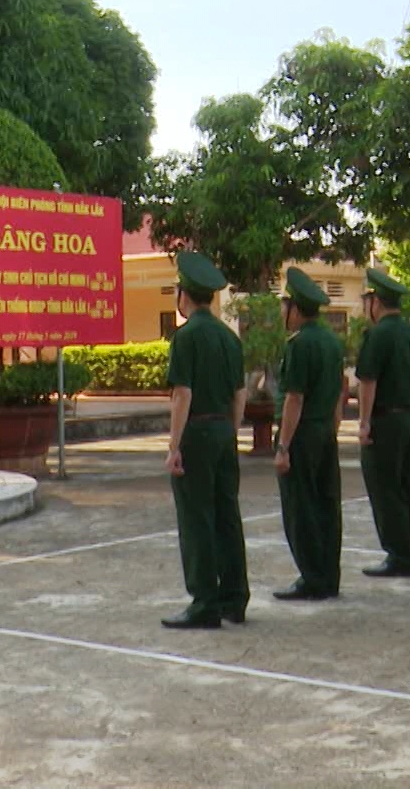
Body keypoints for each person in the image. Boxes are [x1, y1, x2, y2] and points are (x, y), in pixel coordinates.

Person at [160, 251, 250, 629]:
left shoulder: (186, 337)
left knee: (197, 519)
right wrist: (230, 429)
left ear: (184, 295)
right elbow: (239, 394)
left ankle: (204, 602)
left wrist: (173, 446)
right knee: (227, 515)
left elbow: (183, 393)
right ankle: (235, 597)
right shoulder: (229, 338)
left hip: (196, 431)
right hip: (223, 431)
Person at [273, 266, 345, 601]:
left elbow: (294, 398)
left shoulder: (299, 345)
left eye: (285, 307)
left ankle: (312, 578)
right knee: (326, 504)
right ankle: (329, 575)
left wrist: (283, 446)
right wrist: (333, 427)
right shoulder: (331, 342)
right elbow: (339, 391)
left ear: (296, 309)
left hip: (302, 435)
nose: (282, 314)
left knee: (301, 508)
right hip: (324, 433)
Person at [356, 267, 410, 579]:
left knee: (386, 488)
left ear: (375, 302)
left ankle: (398, 554)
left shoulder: (377, 335)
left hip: (386, 421)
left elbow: (368, 381)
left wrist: (363, 423)